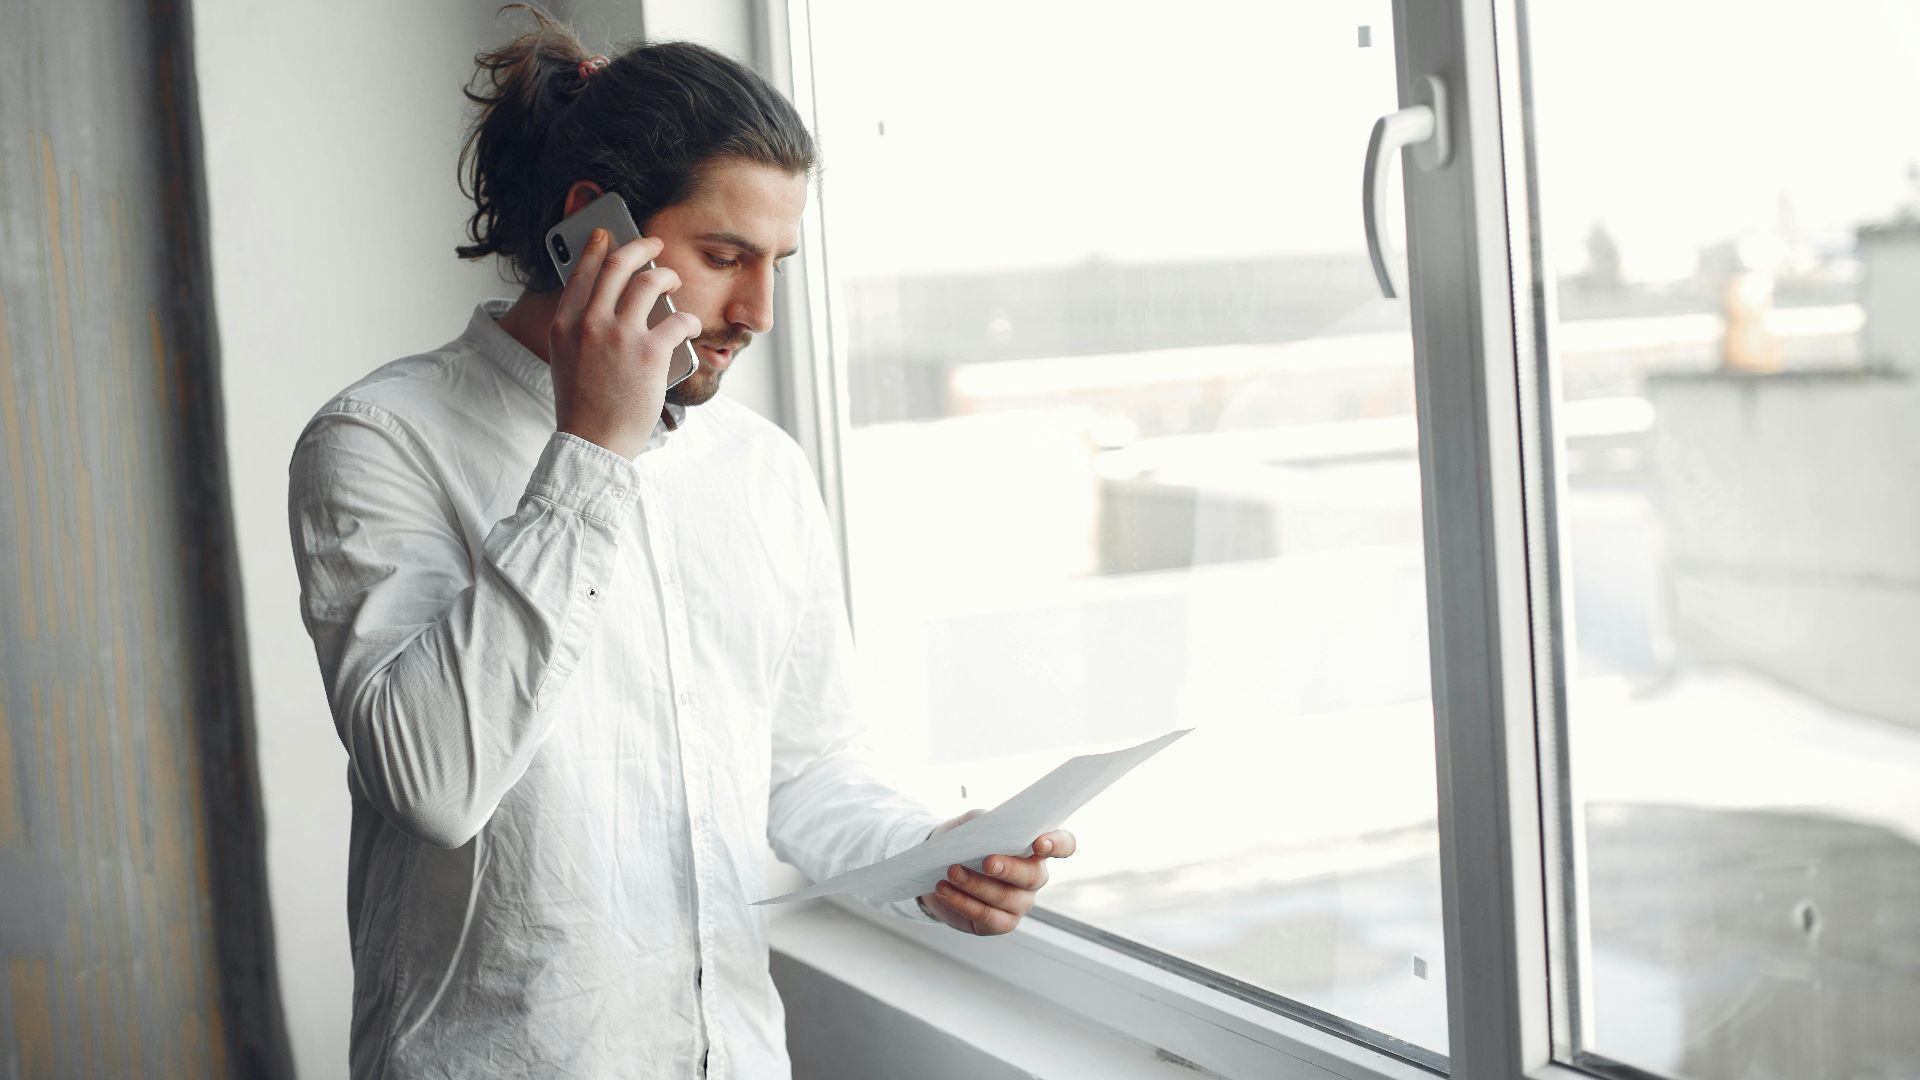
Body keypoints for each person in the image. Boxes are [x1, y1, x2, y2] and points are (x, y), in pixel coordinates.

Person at [286, 10, 1076, 1079]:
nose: (753, 309)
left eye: (776, 266)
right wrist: (592, 450)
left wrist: (930, 858)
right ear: (594, 229)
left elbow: (806, 770)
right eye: (722, 256)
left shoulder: (761, 471)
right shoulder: (380, 440)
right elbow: (434, 782)